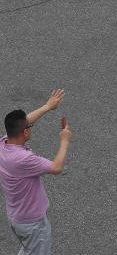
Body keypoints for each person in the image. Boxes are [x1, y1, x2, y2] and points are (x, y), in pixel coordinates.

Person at [2, 90, 69, 255]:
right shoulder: (23, 159)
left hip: (17, 217)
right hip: (33, 224)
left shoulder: (4, 143)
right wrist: (64, 140)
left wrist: (47, 106)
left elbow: (25, 121)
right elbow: (57, 167)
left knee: (29, 249)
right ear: (25, 133)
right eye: (29, 127)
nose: (30, 126)